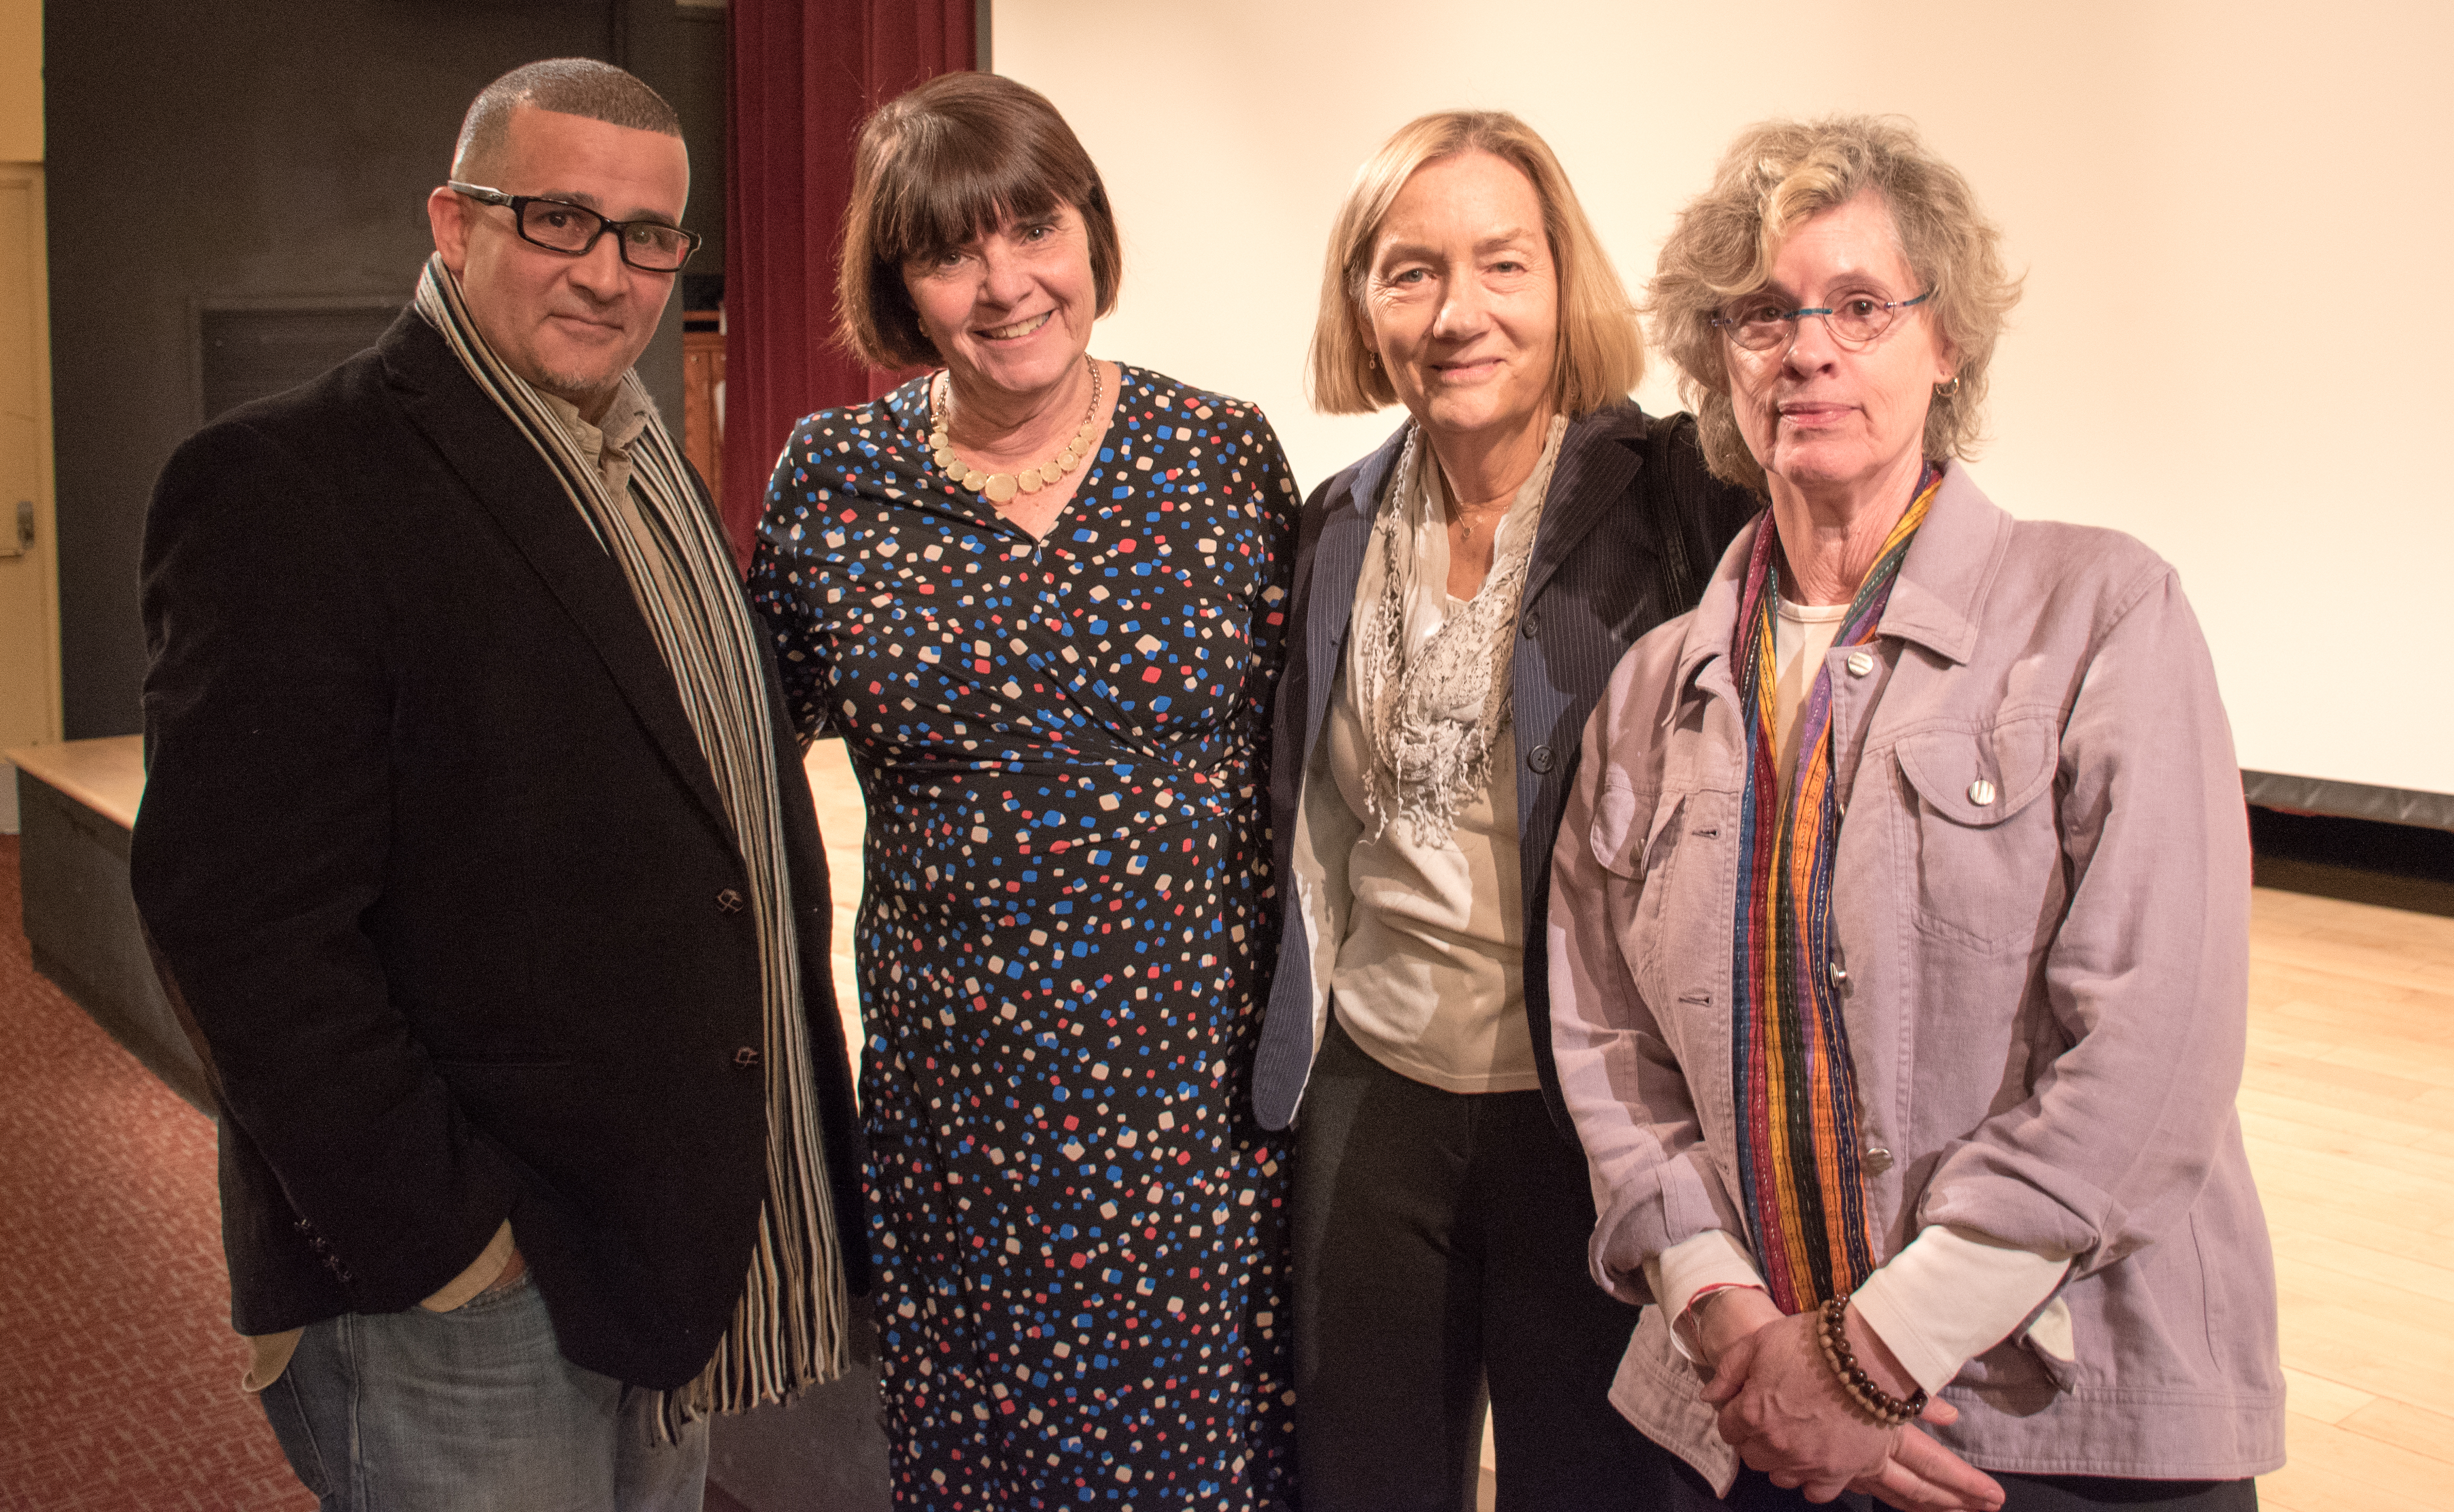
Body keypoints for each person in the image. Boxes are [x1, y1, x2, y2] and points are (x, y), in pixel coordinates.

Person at [131, 59, 865, 1511]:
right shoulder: (290, 480)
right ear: (452, 223)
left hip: (651, 1257)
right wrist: (455, 1245)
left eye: (650, 235)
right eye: (557, 219)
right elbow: (235, 925)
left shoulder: (649, 477)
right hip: (472, 1293)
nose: (609, 272)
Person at [1547, 115, 2284, 1512]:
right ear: (1719, 359)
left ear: (1943, 344)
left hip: (2058, 1412)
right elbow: (1608, 1054)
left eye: (1859, 306)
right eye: (1763, 314)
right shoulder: (1652, 689)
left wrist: (1872, 1359)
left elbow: (2154, 1050)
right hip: (1743, 1414)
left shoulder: (2103, 614)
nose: (1806, 349)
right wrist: (1736, 1328)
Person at [746, 72, 1297, 1510]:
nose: (1003, 286)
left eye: (1033, 228)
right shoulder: (834, 482)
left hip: (1200, 1118)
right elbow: (721, 757)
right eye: (948, 253)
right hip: (961, 1114)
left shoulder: (1220, 456)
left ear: (1089, 232)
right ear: (899, 285)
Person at [1247, 110, 1758, 1511]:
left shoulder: (1684, 502)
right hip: (1372, 1085)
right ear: (1362, 303)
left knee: (1592, 1484)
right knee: (1364, 1478)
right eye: (1409, 272)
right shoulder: (1331, 522)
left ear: (1563, 282)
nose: (1456, 313)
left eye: (1502, 266)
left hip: (1590, 1112)